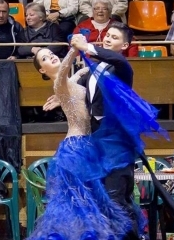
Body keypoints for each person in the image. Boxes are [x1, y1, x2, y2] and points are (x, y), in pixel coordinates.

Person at [29, 47, 134, 240]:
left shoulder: (69, 82)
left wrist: (83, 71)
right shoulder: (58, 83)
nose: (51, 56)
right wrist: (75, 49)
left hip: (87, 145)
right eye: (45, 58)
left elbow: (74, 79)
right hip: (75, 148)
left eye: (51, 53)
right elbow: (64, 74)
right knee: (80, 204)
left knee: (90, 201)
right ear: (42, 70)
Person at [73, 0, 138, 57]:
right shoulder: (82, 26)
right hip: (88, 62)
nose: (100, 11)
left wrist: (131, 61)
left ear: (110, 11)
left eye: (104, 9)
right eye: (97, 8)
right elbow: (73, 44)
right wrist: (80, 59)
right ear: (93, 11)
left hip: (113, 62)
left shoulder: (118, 26)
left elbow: (132, 44)